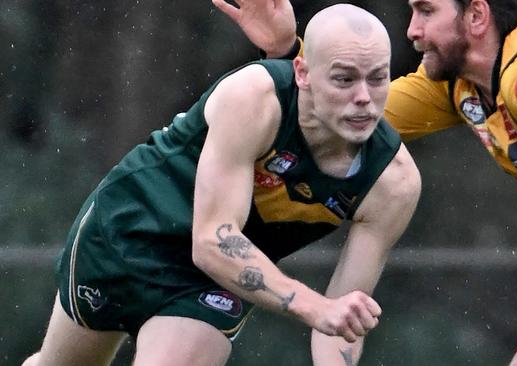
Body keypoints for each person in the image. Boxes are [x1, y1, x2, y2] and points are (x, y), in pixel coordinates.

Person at [218, 0, 517, 364]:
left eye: (425, 11)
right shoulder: (461, 85)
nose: (412, 30)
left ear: (476, 16)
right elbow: (349, 115)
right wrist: (286, 54)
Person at [22, 4, 422, 366]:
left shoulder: (393, 183)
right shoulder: (254, 98)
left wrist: (330, 326)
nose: (364, 99)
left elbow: (339, 321)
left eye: (378, 79)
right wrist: (314, 306)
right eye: (344, 79)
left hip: (211, 282)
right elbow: (213, 240)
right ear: (303, 73)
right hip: (129, 230)